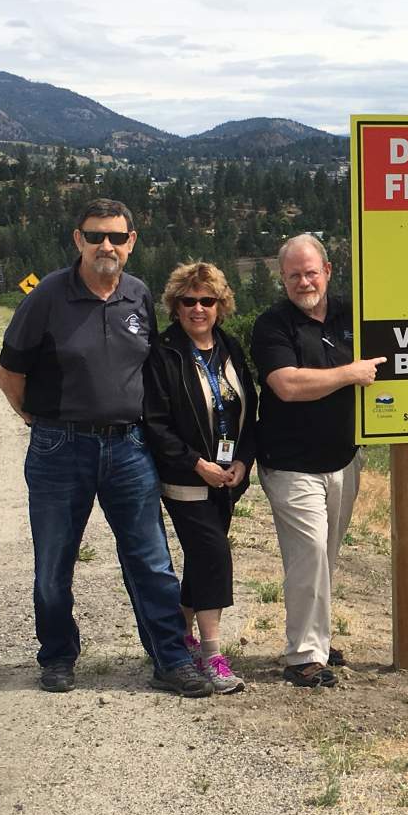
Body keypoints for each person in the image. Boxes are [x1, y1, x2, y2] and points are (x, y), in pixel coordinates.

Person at [0, 198, 212, 697]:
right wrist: (36, 420)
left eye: (116, 237)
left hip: (129, 446)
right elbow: (8, 373)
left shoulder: (138, 294)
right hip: (60, 448)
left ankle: (170, 659)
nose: (105, 246)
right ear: (79, 240)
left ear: (131, 242)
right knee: (54, 563)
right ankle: (57, 656)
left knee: (151, 560)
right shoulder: (48, 295)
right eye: (95, 236)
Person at [251, 234, 408, 688]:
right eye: (294, 275)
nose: (303, 282)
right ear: (282, 278)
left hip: (343, 459)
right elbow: (287, 385)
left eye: (311, 272)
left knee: (325, 555)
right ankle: (303, 657)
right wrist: (350, 373)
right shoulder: (272, 325)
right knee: (309, 554)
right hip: (290, 463)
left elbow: (394, 371)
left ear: (327, 271)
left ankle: (317, 639)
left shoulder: (355, 314)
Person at [143, 262, 258, 694]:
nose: (198, 308)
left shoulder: (229, 347)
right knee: (213, 555)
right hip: (186, 478)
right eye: (188, 301)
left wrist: (243, 461)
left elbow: (250, 411)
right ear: (175, 306)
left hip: (227, 478)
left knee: (201, 559)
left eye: (207, 300)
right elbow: (155, 423)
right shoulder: (164, 352)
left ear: (220, 305)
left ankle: (178, 640)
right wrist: (197, 464)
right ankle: (212, 656)